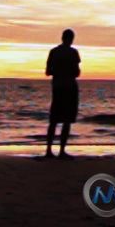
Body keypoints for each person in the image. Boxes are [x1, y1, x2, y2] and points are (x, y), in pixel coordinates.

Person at [44, 29, 80, 158]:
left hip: (58, 87)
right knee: (66, 120)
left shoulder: (54, 52)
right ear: (71, 39)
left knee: (54, 119)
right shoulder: (73, 53)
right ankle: (61, 151)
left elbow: (48, 71)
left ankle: (49, 149)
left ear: (62, 37)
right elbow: (77, 72)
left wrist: (58, 71)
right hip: (69, 87)